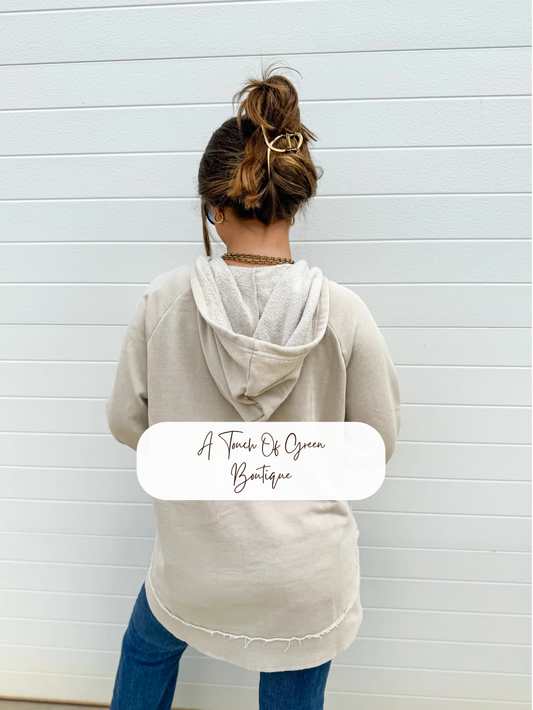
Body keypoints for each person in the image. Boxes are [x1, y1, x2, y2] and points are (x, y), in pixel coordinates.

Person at [106, 64, 401, 710]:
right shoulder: (344, 315)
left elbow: (127, 421)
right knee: (295, 663)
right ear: (294, 201)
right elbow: (375, 444)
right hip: (306, 577)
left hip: (194, 565)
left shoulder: (163, 303)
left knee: (146, 647)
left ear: (213, 209)